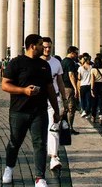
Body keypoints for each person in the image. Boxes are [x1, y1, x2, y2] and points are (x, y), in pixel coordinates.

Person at [2, 34, 60, 187]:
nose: (44, 47)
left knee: (40, 144)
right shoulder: (16, 63)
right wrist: (23, 91)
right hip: (18, 111)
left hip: (39, 111)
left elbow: (50, 89)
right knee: (15, 142)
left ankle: (40, 177)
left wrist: (56, 110)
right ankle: (9, 168)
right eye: (41, 44)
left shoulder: (44, 65)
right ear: (33, 46)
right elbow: (5, 85)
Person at [41, 37, 66, 171]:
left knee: (54, 127)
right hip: (39, 99)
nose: (47, 49)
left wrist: (65, 99)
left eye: (49, 47)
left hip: (54, 99)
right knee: (41, 128)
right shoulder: (36, 62)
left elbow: (60, 82)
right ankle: (44, 153)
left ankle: (54, 157)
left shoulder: (56, 63)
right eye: (45, 47)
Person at [61, 46, 80, 134]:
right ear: (72, 53)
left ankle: (62, 125)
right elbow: (71, 75)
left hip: (63, 86)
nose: (77, 55)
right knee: (71, 108)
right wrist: (76, 88)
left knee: (64, 107)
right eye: (76, 53)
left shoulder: (63, 61)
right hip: (69, 87)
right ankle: (69, 127)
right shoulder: (70, 63)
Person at [90, 56, 102, 125]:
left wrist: (91, 89)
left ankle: (93, 116)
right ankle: (101, 117)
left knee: (94, 102)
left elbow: (92, 80)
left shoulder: (93, 70)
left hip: (96, 86)